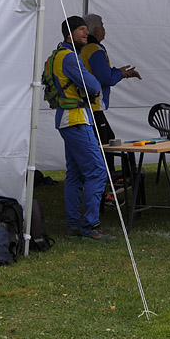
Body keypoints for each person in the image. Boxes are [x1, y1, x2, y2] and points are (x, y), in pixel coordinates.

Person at [50, 15, 118, 240]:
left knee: (75, 174)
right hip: (76, 118)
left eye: (86, 29)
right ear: (69, 34)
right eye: (81, 29)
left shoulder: (59, 54)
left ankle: (74, 224)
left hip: (67, 118)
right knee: (97, 170)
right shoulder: (70, 57)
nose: (86, 32)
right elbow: (94, 84)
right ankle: (91, 225)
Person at [79, 13, 142, 199]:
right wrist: (122, 74)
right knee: (105, 145)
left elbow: (102, 72)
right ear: (96, 30)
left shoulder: (85, 48)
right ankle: (107, 187)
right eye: (103, 26)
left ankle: (109, 184)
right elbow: (105, 78)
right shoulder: (95, 49)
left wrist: (118, 72)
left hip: (89, 106)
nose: (105, 29)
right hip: (94, 106)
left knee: (108, 140)